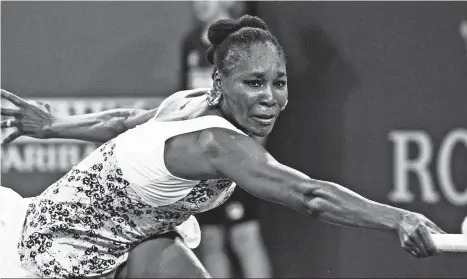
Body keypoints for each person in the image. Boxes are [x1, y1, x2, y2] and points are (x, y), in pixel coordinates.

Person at [1, 15, 445, 278]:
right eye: (253, 83)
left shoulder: (189, 103)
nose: (269, 97)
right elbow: (308, 195)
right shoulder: (217, 143)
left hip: (132, 235)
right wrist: (398, 217)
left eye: (279, 82)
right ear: (220, 83)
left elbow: (118, 121)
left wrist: (54, 124)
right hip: (61, 246)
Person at [181, 1, 272, 277]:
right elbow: (184, 100)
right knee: (210, 238)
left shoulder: (243, 42)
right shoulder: (189, 43)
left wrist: (255, 142)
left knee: (245, 235)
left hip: (237, 149)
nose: (199, 3)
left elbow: (260, 95)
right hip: (202, 156)